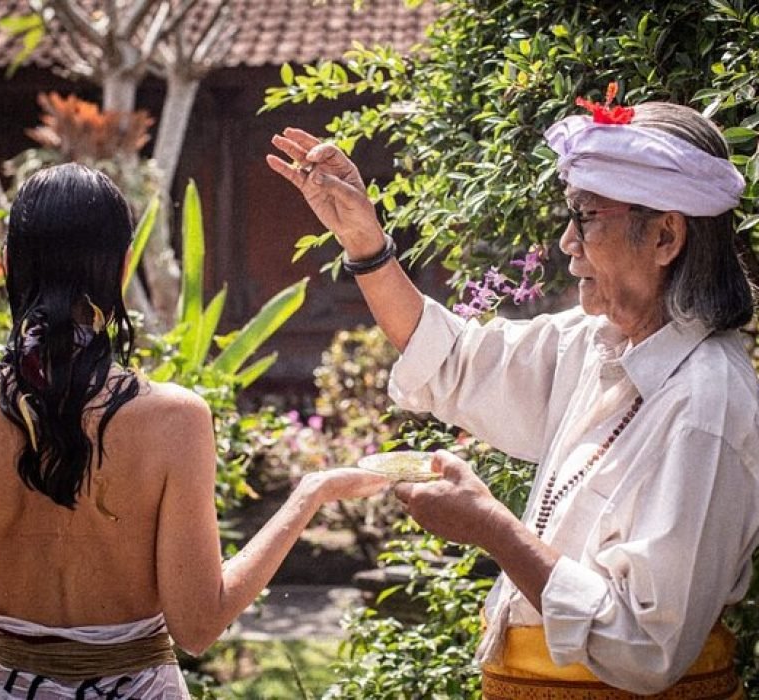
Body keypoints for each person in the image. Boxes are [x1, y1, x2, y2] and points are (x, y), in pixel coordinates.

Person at [267, 95, 759, 698]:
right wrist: (366, 242)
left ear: (664, 235)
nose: (566, 243)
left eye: (586, 217)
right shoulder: (596, 346)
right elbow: (454, 360)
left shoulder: (707, 404)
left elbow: (646, 648)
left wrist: (494, 529)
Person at [0, 163, 389, 699]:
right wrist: (311, 492)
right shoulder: (174, 420)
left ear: (9, 266)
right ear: (121, 270)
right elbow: (198, 625)